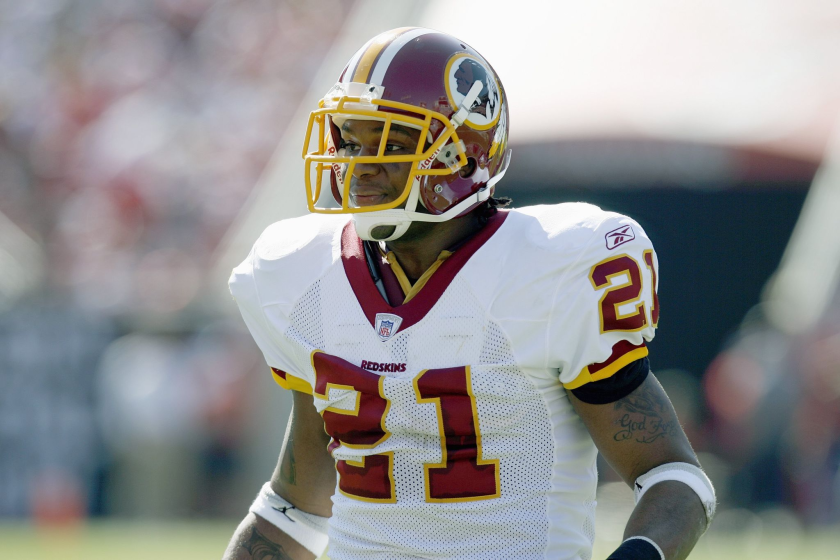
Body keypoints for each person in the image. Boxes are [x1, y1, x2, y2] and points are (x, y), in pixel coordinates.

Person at [224, 27, 714, 560]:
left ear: (461, 152)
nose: (360, 163)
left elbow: (672, 478)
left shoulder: (551, 266)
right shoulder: (304, 275)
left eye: (392, 142)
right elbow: (293, 508)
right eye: (350, 140)